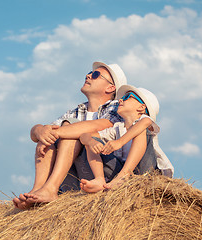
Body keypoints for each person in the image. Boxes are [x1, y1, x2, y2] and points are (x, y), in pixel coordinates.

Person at [12, 61, 127, 209]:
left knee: (69, 130)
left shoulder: (117, 107)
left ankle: (51, 189)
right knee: (49, 138)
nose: (88, 75)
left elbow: (101, 125)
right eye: (90, 73)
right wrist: (40, 131)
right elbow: (37, 133)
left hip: (104, 170)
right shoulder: (76, 111)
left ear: (110, 87)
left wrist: (56, 132)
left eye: (96, 75)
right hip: (78, 177)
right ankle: (38, 190)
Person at [79, 85, 174, 193]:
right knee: (92, 142)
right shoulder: (118, 128)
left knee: (141, 130)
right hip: (118, 173)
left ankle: (124, 175)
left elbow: (145, 123)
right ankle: (100, 178)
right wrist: (90, 141)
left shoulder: (143, 121)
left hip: (145, 172)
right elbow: (84, 135)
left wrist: (119, 142)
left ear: (141, 108)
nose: (120, 100)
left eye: (127, 97)